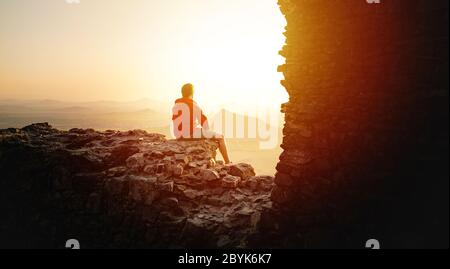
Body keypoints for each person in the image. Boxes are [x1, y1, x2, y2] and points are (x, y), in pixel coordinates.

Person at [172, 83, 231, 164]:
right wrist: (206, 132)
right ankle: (228, 162)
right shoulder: (193, 104)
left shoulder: (176, 105)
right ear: (192, 93)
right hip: (190, 133)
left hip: (178, 135)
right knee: (221, 137)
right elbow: (204, 123)